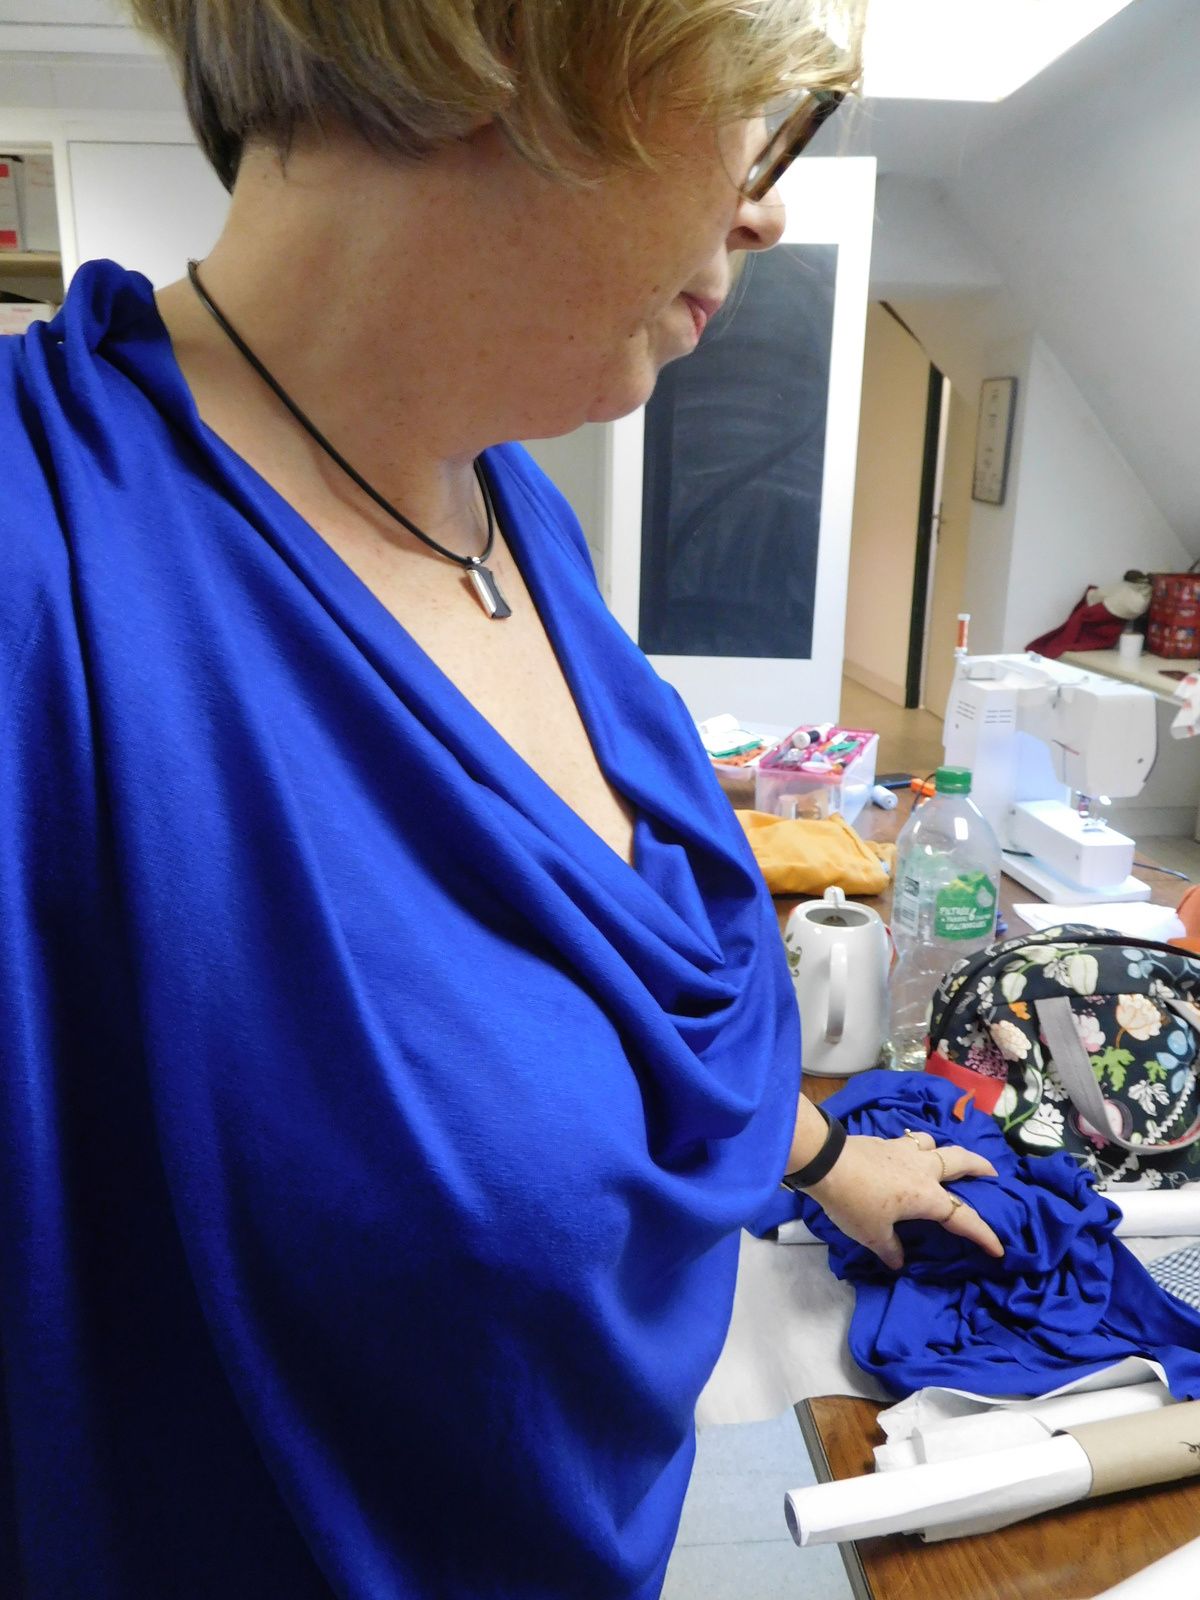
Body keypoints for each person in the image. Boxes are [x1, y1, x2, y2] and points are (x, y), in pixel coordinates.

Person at [0, 3, 1004, 1595]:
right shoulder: (39, 576)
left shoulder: (508, 509)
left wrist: (824, 1163)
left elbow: (600, 995)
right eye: (756, 116)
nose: (766, 208)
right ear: (498, 46)